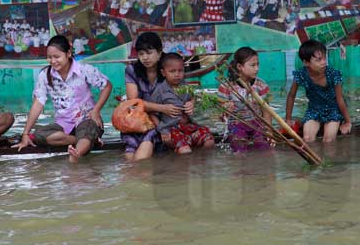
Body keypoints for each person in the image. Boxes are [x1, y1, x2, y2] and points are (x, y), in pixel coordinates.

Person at [15, 35, 112, 163]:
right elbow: (38, 104)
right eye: (49, 57)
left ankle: (76, 153)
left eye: (57, 57)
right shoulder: (45, 75)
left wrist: (96, 110)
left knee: (87, 131)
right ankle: (86, 140)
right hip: (63, 124)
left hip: (86, 118)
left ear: (68, 54)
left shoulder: (84, 70)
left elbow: (107, 86)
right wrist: (25, 134)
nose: (53, 61)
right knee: (39, 135)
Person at [123, 32, 193, 161]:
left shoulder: (170, 68)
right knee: (130, 155)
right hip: (139, 119)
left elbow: (186, 93)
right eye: (141, 54)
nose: (145, 58)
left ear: (160, 53)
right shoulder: (132, 70)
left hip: (163, 122)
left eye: (149, 53)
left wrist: (191, 103)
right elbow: (133, 102)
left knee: (143, 151)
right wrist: (161, 108)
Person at [285, 40, 352, 143]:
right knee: (307, 139)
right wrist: (288, 119)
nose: (324, 62)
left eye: (324, 58)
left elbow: (340, 99)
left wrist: (347, 122)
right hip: (314, 110)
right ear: (306, 62)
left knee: (328, 140)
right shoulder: (301, 74)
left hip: (333, 109)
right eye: (318, 60)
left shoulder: (333, 74)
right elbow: (291, 96)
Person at [150, 53, 214, 154]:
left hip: (190, 127)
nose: (177, 74)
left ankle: (201, 163)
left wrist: (192, 103)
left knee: (209, 141)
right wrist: (162, 130)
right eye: (172, 71)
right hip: (172, 130)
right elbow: (152, 114)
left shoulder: (186, 86)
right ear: (163, 72)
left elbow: (193, 97)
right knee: (185, 151)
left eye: (180, 71)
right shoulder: (159, 91)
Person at [218, 47, 272, 152]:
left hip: (257, 123)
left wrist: (269, 131)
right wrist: (225, 109)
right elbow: (220, 114)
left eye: (258, 64)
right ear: (239, 66)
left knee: (264, 149)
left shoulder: (261, 85)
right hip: (236, 124)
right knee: (239, 149)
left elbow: (266, 111)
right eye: (253, 65)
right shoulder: (227, 86)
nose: (257, 69)